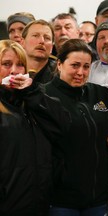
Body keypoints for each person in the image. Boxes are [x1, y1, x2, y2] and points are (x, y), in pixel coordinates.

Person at [0, 39, 68, 215]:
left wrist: (31, 92)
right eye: (6, 64)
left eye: (20, 65)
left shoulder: (33, 101)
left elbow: (62, 126)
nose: (14, 70)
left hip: (39, 203)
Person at [44, 39, 108, 216]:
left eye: (86, 66)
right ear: (59, 64)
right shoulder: (44, 96)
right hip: (61, 198)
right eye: (74, 65)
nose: (80, 72)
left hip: (97, 197)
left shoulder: (100, 93)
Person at [21, 19, 56, 83]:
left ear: (51, 47)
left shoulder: (61, 74)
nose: (42, 41)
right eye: (35, 36)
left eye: (47, 38)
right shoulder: (11, 70)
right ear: (22, 42)